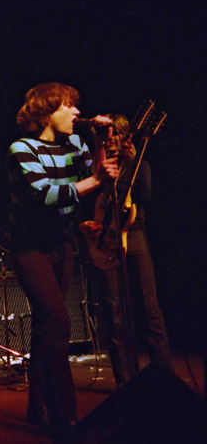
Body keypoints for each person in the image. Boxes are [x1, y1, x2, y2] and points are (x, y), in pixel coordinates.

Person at [6, 82, 119, 437]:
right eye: (68, 106)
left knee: (46, 329)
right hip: (30, 249)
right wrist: (96, 178)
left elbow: (95, 178)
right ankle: (63, 415)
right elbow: (45, 194)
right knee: (57, 323)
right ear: (47, 111)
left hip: (62, 244)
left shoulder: (74, 144)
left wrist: (102, 142)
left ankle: (35, 407)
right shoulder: (22, 148)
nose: (75, 112)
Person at [80, 113, 173, 387]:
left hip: (135, 236)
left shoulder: (139, 165)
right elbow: (85, 204)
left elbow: (144, 198)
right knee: (114, 311)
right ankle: (125, 381)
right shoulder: (96, 166)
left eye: (117, 138)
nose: (113, 143)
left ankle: (163, 376)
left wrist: (130, 165)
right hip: (104, 241)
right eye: (109, 139)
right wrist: (85, 224)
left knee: (149, 305)